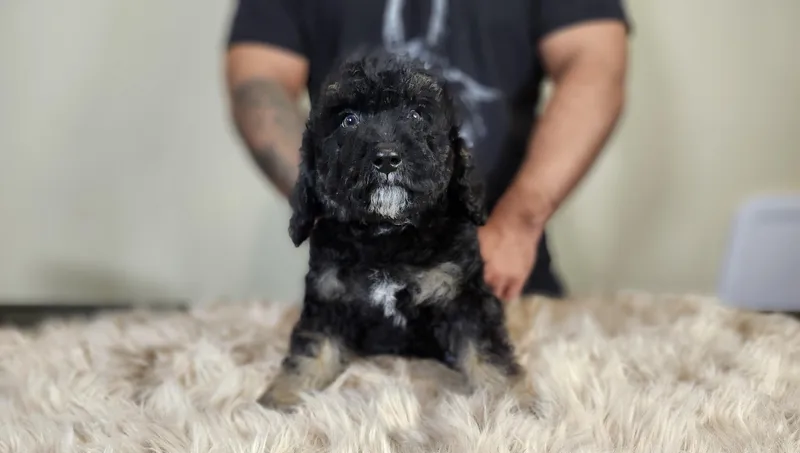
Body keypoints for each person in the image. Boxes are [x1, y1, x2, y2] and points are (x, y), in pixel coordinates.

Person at [224, 0, 629, 301]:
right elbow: (259, 81)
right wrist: (325, 206)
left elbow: (595, 63)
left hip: (503, 276)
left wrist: (519, 221)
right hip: (358, 279)